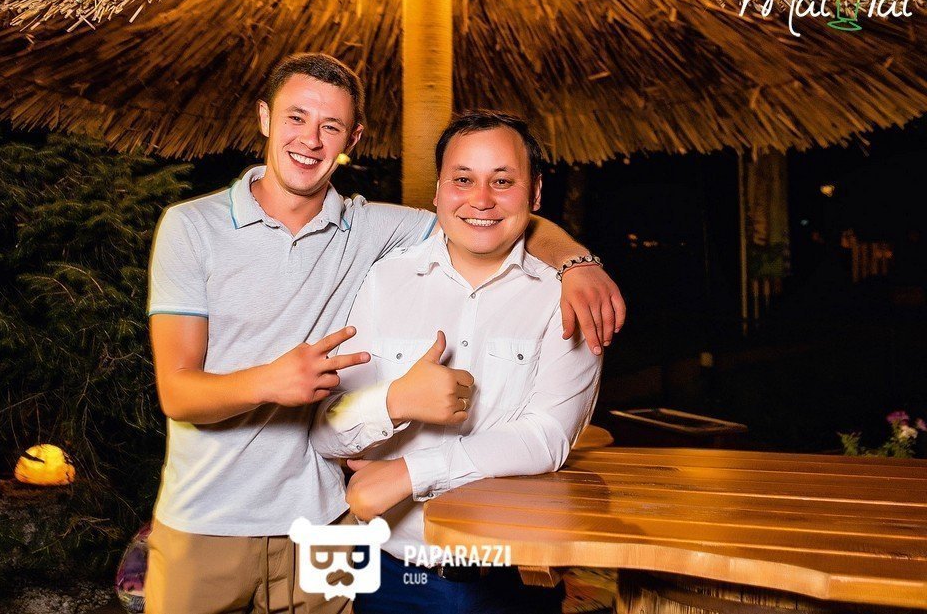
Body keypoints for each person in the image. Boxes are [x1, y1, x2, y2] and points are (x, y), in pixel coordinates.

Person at [144, 54, 622, 614]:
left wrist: (577, 263)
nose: (310, 140)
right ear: (265, 118)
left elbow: (490, 217)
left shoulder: (374, 230)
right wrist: (272, 381)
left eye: (331, 126)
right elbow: (177, 393)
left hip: (326, 519)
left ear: (353, 138)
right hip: (208, 518)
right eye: (296, 117)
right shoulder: (192, 227)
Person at [310, 111, 602, 614]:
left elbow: (548, 437)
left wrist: (409, 472)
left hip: (514, 578)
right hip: (391, 575)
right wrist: (395, 401)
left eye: (502, 181)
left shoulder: (567, 297)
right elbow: (327, 430)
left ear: (534, 193)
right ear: (438, 191)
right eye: (462, 179)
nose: (480, 199)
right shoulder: (384, 281)